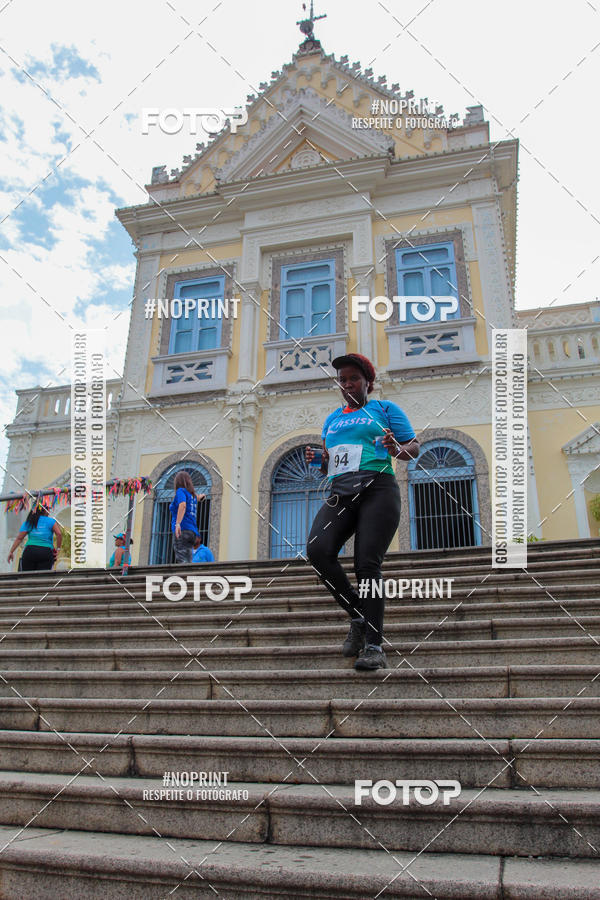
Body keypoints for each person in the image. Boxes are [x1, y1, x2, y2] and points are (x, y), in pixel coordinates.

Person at [305, 353, 419, 671]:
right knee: (317, 550)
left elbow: (413, 447)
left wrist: (396, 447)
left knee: (366, 564)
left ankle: (373, 645)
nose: (347, 384)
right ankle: (358, 615)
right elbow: (331, 460)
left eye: (353, 378)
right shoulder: (332, 420)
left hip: (377, 489)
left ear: (367, 381)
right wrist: (319, 459)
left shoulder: (384, 409)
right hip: (340, 493)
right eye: (342, 380)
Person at [7, 504, 62, 572]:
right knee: (42, 578)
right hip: (45, 552)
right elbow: (59, 534)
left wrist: (11, 552)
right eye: (48, 510)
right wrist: (58, 549)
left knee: (27, 577)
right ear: (44, 510)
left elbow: (19, 538)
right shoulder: (51, 521)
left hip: (30, 551)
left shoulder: (30, 521)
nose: (49, 512)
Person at [169, 471, 206, 563]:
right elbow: (198, 497)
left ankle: (184, 577)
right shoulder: (192, 496)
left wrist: (178, 524)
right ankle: (188, 576)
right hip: (192, 533)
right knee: (188, 561)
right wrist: (201, 497)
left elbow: (183, 505)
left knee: (182, 560)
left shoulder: (180, 491)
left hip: (182, 530)